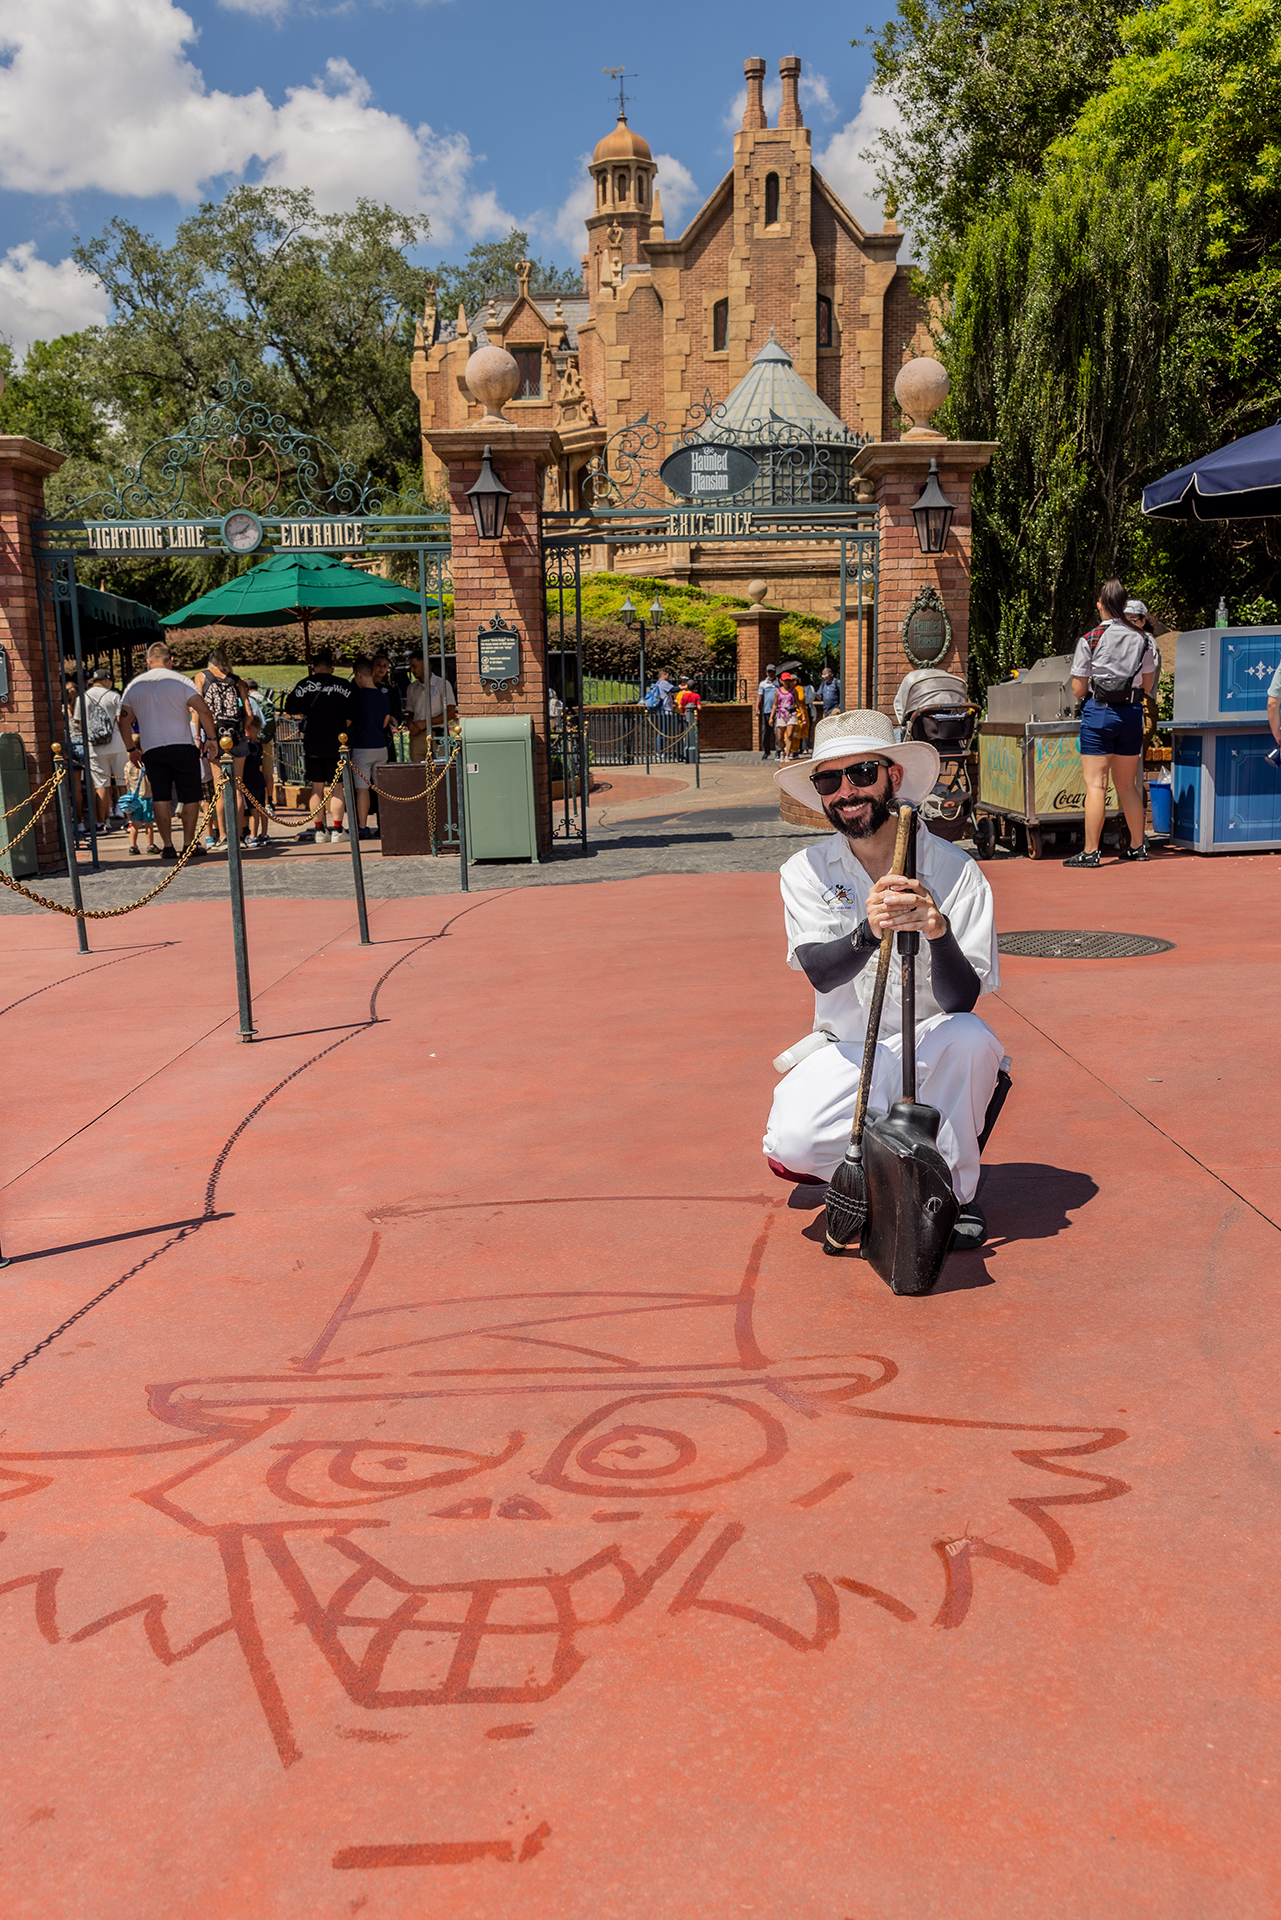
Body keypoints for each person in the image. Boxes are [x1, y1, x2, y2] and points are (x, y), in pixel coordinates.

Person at [763, 708, 1005, 1248]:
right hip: (849, 1047)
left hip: (934, 1046)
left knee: (971, 1038)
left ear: (893, 777)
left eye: (861, 773)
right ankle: (885, 1167)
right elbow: (820, 972)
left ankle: (952, 1192)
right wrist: (868, 932)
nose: (846, 792)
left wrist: (938, 932)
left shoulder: (957, 871)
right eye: (829, 780)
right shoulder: (804, 870)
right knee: (791, 1145)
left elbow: (962, 1000)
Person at [1063, 579, 1158, 867]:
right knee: (1128, 785)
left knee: (1096, 785)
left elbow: (1078, 689)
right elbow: (1148, 684)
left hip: (1100, 712)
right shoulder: (1143, 639)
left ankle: (1091, 852)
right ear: (1124, 604)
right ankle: (1138, 846)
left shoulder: (1090, 639)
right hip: (1131, 714)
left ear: (1101, 605)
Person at [119, 642, 221, 861]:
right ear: (171, 661)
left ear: (148, 662)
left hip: (152, 748)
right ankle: (188, 844)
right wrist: (211, 739)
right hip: (182, 745)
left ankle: (167, 845)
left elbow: (123, 720)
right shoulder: (181, 681)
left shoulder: (135, 685)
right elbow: (203, 710)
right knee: (190, 796)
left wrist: (130, 748)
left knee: (160, 797)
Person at [284, 649, 356, 844]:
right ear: (332, 668)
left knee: (317, 788)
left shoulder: (303, 685)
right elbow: (353, 713)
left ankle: (319, 831)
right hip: (337, 743)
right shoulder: (344, 685)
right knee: (337, 787)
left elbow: (289, 707)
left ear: (314, 668)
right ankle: (337, 830)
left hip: (313, 743)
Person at [193, 647, 249, 848]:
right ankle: (239, 836)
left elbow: (198, 710)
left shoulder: (201, 677)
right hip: (236, 737)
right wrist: (245, 729)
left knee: (220, 787)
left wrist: (198, 736)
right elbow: (249, 713)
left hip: (214, 737)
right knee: (238, 788)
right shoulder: (237, 680)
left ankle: (224, 836)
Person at [348, 654, 395, 837]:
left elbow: (348, 721)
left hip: (362, 747)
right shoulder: (384, 697)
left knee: (362, 789)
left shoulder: (356, 697)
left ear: (359, 675)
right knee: (381, 788)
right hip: (380, 747)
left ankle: (362, 826)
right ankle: (386, 824)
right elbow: (384, 723)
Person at [81, 666, 128, 833]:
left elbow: (80, 724)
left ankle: (101, 824)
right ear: (107, 680)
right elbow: (121, 721)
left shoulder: (82, 698)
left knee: (101, 786)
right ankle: (130, 821)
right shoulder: (113, 696)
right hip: (117, 744)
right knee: (122, 783)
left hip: (95, 747)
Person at [405, 654, 457, 763]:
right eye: (411, 667)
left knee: (439, 769)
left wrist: (426, 723)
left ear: (425, 664)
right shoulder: (411, 688)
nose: (412, 670)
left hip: (436, 735)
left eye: (414, 666)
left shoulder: (442, 684)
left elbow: (451, 713)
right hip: (417, 736)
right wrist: (410, 723)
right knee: (417, 769)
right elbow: (410, 711)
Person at [241, 713, 270, 848]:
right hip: (259, 779)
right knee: (261, 808)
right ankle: (263, 833)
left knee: (254, 810)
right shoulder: (259, 745)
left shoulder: (249, 747)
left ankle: (253, 835)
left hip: (250, 780)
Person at [675, 677, 701, 762]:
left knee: (685, 735)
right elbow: (699, 707)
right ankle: (695, 751)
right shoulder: (697, 696)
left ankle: (686, 751)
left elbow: (680, 706)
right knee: (695, 734)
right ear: (694, 687)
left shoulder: (684, 695)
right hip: (695, 717)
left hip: (685, 717)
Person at [758, 665, 778, 760]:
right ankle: (766, 751)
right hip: (767, 710)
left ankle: (778, 751)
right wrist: (757, 707)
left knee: (777, 732)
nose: (770, 673)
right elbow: (760, 696)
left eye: (772, 672)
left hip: (778, 711)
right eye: (769, 672)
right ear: (766, 672)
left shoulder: (779, 683)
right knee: (765, 732)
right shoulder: (763, 683)